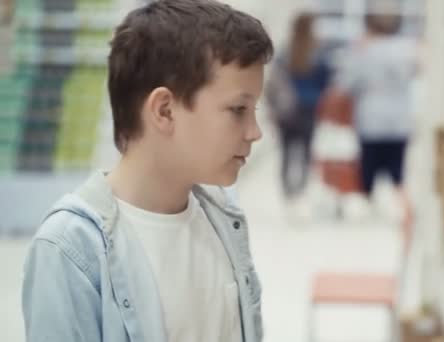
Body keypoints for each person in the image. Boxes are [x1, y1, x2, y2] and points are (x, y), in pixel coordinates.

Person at [21, 1, 273, 342]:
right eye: (238, 109)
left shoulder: (223, 217)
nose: (254, 131)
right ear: (165, 110)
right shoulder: (71, 248)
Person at [334, 11, 418, 222]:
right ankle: (399, 209)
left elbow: (346, 84)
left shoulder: (364, 51)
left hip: (371, 117)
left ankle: (368, 206)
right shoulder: (406, 50)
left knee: (369, 167)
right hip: (399, 119)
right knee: (397, 168)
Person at [265, 13, 331, 207]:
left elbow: (275, 82)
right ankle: (301, 190)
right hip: (309, 108)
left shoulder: (286, 51)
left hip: (287, 109)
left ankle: (287, 191)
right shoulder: (318, 53)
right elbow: (326, 81)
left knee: (286, 151)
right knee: (306, 150)